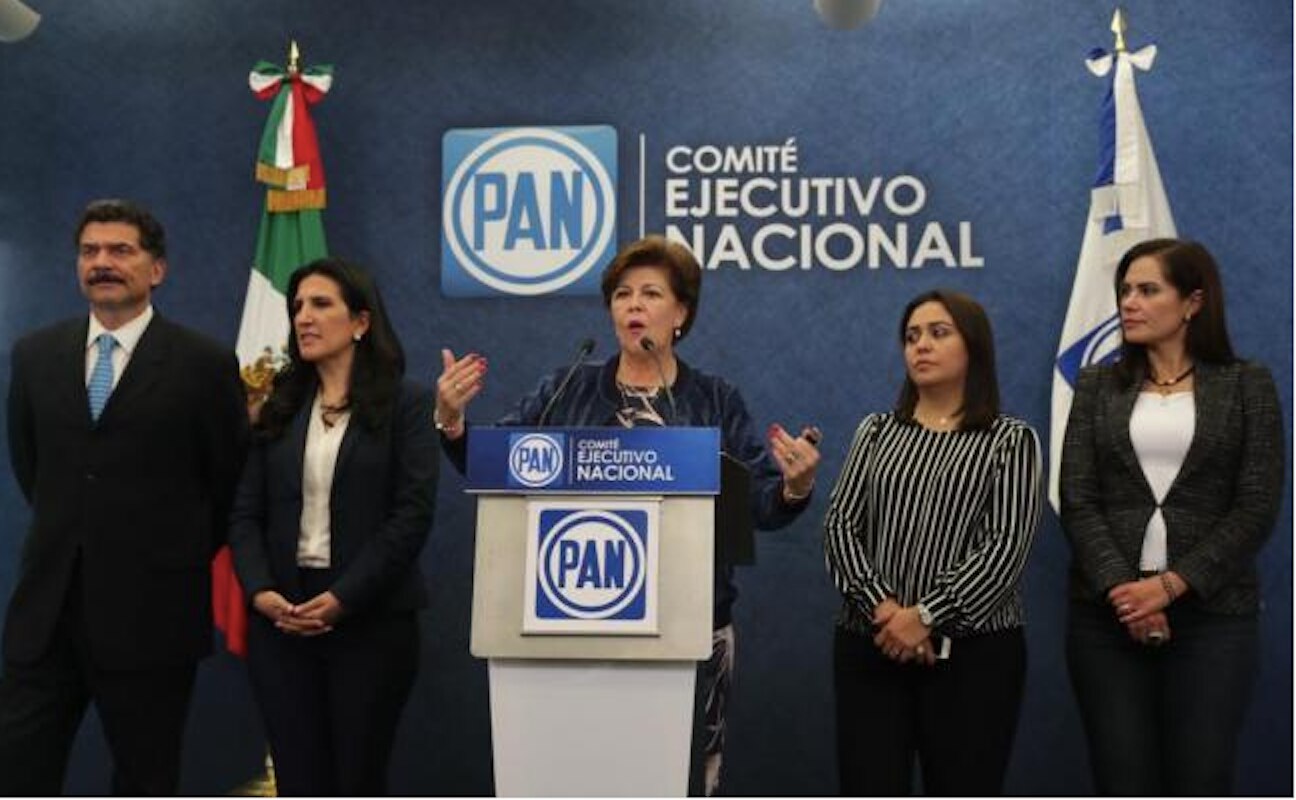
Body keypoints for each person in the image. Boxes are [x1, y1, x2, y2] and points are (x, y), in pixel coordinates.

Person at [435, 234, 820, 795]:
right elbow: (494, 462)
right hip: (567, 630)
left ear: (681, 312)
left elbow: (760, 503)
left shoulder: (714, 399)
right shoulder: (567, 387)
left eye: (650, 293)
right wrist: (451, 420)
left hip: (690, 629)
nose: (633, 305)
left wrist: (795, 485)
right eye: (622, 294)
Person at [0, 198, 249, 794]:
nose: (102, 263)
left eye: (120, 250)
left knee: (145, 778)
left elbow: (225, 483)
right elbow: (31, 466)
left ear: (156, 269)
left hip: (152, 617)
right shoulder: (34, 356)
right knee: (18, 771)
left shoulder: (204, 365)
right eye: (90, 252)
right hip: (47, 615)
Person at [1059, 238, 1284, 795]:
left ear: (1192, 302)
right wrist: (1127, 592)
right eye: (1125, 291)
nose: (1129, 303)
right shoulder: (1095, 386)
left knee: (1200, 778)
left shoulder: (1246, 384)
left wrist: (1172, 585)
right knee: (1122, 779)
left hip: (1213, 617)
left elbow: (1256, 505)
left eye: (1147, 290)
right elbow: (1078, 497)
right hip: (1107, 618)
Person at [228, 258, 438, 795]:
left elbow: (410, 515)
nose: (304, 318)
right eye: (297, 306)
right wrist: (259, 592)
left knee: (356, 780)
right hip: (282, 623)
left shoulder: (407, 404)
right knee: (299, 780)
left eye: (321, 304)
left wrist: (344, 598)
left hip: (369, 622)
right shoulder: (278, 406)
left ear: (361, 322)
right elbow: (245, 512)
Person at [823, 289, 1042, 795]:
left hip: (975, 660)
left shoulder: (1010, 440)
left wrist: (924, 617)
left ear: (974, 348)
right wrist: (887, 613)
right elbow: (839, 527)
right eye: (912, 336)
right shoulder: (876, 432)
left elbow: (1004, 548)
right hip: (870, 647)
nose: (921, 345)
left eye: (939, 333)